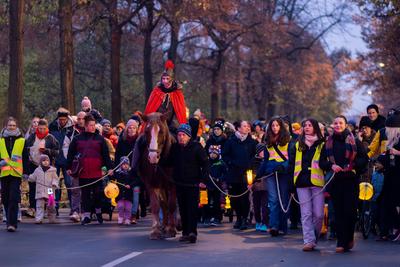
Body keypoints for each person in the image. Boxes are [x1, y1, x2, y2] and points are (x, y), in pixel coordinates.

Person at [321, 115, 368, 253]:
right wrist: (331, 166)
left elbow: (364, 159)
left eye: (340, 123)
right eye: (335, 123)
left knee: (351, 212)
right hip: (336, 181)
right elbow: (322, 161)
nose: (338, 125)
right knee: (338, 212)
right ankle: (341, 242)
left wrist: (353, 166)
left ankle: (349, 238)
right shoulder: (328, 142)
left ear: (346, 125)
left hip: (351, 180)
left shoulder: (355, 141)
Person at [288, 118, 328, 251]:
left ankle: (314, 237)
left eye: (310, 125)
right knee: (306, 214)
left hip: (317, 182)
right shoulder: (297, 144)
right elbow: (292, 165)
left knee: (318, 214)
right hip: (301, 182)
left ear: (315, 127)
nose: (306, 127)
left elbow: (324, 163)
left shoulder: (323, 144)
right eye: (304, 125)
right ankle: (308, 241)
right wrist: (291, 185)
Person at [67, 114, 113, 225]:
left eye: (93, 125)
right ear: (86, 126)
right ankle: (86, 215)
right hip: (83, 171)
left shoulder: (100, 139)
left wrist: (110, 168)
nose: (92, 127)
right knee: (85, 194)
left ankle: (98, 213)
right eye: (90, 125)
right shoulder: (77, 139)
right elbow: (70, 154)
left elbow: (105, 155)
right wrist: (68, 167)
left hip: (96, 171)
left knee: (98, 194)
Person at [170, 124, 209, 243]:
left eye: (183, 135)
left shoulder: (196, 147)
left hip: (193, 184)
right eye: (179, 135)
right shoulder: (175, 148)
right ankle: (185, 233)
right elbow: (168, 162)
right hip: (180, 183)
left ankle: (192, 232)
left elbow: (206, 164)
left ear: (188, 136)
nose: (181, 137)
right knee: (182, 209)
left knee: (192, 209)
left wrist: (203, 180)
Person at [257, 117, 291, 236]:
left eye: (277, 125)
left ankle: (283, 226)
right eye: (273, 126)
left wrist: (284, 166)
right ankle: (274, 226)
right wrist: (258, 175)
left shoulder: (288, 140)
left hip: (284, 172)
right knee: (273, 199)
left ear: (281, 126)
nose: (275, 128)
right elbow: (265, 160)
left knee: (283, 199)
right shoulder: (267, 141)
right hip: (270, 172)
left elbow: (292, 159)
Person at [223, 120, 257, 230]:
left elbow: (255, 156)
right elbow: (224, 155)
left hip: (246, 174)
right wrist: (231, 163)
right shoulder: (231, 141)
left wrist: (250, 165)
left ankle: (244, 219)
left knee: (244, 197)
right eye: (244, 126)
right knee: (234, 198)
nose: (247, 128)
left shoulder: (252, 142)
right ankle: (238, 218)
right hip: (233, 173)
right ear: (238, 128)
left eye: (248, 126)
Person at [49, 108, 79, 221]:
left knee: (69, 184)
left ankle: (73, 209)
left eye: (64, 119)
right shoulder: (52, 127)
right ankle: (53, 207)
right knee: (52, 185)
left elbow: (76, 146)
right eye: (60, 119)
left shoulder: (73, 130)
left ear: (67, 118)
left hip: (67, 161)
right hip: (54, 160)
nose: (62, 121)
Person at [25, 119, 59, 217]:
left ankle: (50, 208)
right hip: (34, 165)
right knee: (33, 187)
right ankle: (33, 208)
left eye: (44, 128)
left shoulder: (51, 138)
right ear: (37, 127)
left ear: (47, 128)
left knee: (49, 189)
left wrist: (47, 150)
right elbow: (26, 150)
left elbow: (57, 152)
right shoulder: (32, 137)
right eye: (40, 128)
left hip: (48, 168)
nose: (42, 130)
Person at [0, 117, 29, 232]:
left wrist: (26, 172)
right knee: (6, 199)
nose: (11, 127)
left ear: (16, 127)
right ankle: (8, 220)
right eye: (9, 125)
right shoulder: (1, 140)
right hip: (4, 173)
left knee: (13, 198)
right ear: (6, 126)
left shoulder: (22, 140)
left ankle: (12, 223)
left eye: (13, 125)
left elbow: (25, 158)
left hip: (16, 174)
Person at [144, 60, 187, 135]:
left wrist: (173, 128)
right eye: (163, 79)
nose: (165, 81)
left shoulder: (177, 93)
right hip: (157, 124)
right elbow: (152, 110)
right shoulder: (157, 91)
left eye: (167, 78)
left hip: (173, 127)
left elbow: (179, 113)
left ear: (172, 79)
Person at [377, 110, 400, 241]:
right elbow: (388, 157)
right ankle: (394, 228)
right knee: (386, 202)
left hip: (397, 176)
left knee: (392, 202)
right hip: (391, 175)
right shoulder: (391, 141)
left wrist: (397, 153)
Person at [115, 118, 141, 223]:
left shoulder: (140, 141)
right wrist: (116, 168)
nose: (131, 130)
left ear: (137, 129)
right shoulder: (122, 140)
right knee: (124, 193)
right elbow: (117, 155)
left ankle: (134, 214)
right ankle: (124, 214)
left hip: (135, 170)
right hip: (123, 170)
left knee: (135, 192)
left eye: (134, 127)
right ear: (126, 129)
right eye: (129, 127)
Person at [27, 154, 59, 224]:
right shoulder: (37, 170)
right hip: (40, 190)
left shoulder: (53, 170)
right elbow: (32, 178)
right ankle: (39, 219)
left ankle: (52, 219)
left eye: (47, 160)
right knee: (39, 206)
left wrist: (54, 183)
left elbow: (56, 179)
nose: (45, 162)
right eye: (43, 160)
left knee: (51, 205)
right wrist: (27, 177)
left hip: (50, 190)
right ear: (40, 162)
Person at [205, 145, 227, 226]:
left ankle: (217, 218)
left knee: (217, 202)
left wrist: (220, 179)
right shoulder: (206, 162)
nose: (212, 155)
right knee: (206, 202)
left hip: (217, 185)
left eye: (214, 153)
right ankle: (206, 217)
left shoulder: (221, 163)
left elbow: (225, 174)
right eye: (211, 153)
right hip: (207, 185)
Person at [114, 157, 136, 225]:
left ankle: (127, 218)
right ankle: (120, 217)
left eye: (127, 164)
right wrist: (110, 174)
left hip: (128, 194)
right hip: (120, 193)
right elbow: (112, 178)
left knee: (128, 208)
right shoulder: (117, 172)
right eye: (123, 164)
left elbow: (135, 180)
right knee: (120, 206)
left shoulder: (131, 172)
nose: (125, 165)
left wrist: (130, 185)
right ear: (120, 165)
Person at [252, 143, 268, 232]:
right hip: (256, 187)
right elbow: (250, 173)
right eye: (262, 151)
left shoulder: (268, 161)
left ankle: (265, 222)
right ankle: (258, 221)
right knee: (256, 205)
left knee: (265, 206)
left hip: (266, 187)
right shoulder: (253, 161)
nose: (263, 153)